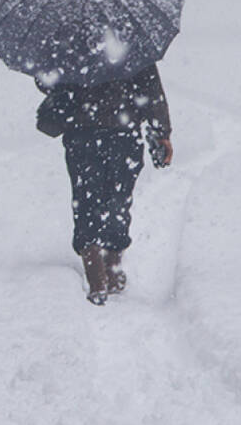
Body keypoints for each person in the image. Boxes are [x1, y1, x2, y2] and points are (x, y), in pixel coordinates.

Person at [35, 63, 173, 305]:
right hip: (123, 130)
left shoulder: (67, 45)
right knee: (118, 198)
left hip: (82, 131)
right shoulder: (132, 46)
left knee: (86, 198)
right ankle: (112, 265)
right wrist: (161, 132)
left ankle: (95, 271)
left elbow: (46, 82)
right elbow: (151, 89)